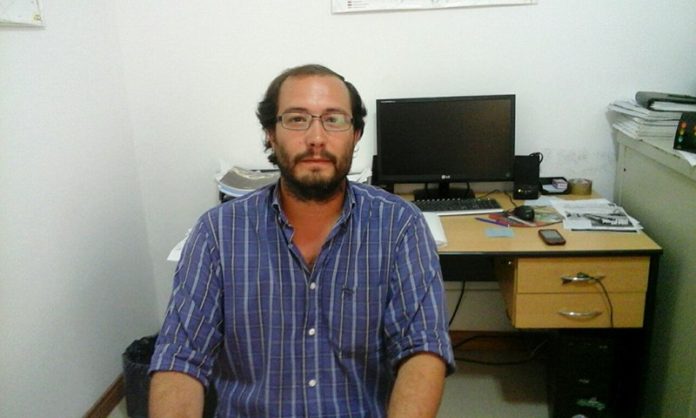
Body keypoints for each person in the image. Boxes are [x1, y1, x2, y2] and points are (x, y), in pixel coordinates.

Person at [148, 64, 455, 418]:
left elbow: (422, 349)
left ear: (355, 134)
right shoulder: (217, 233)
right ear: (270, 133)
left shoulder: (399, 225)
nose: (316, 138)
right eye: (296, 119)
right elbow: (181, 358)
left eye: (334, 119)